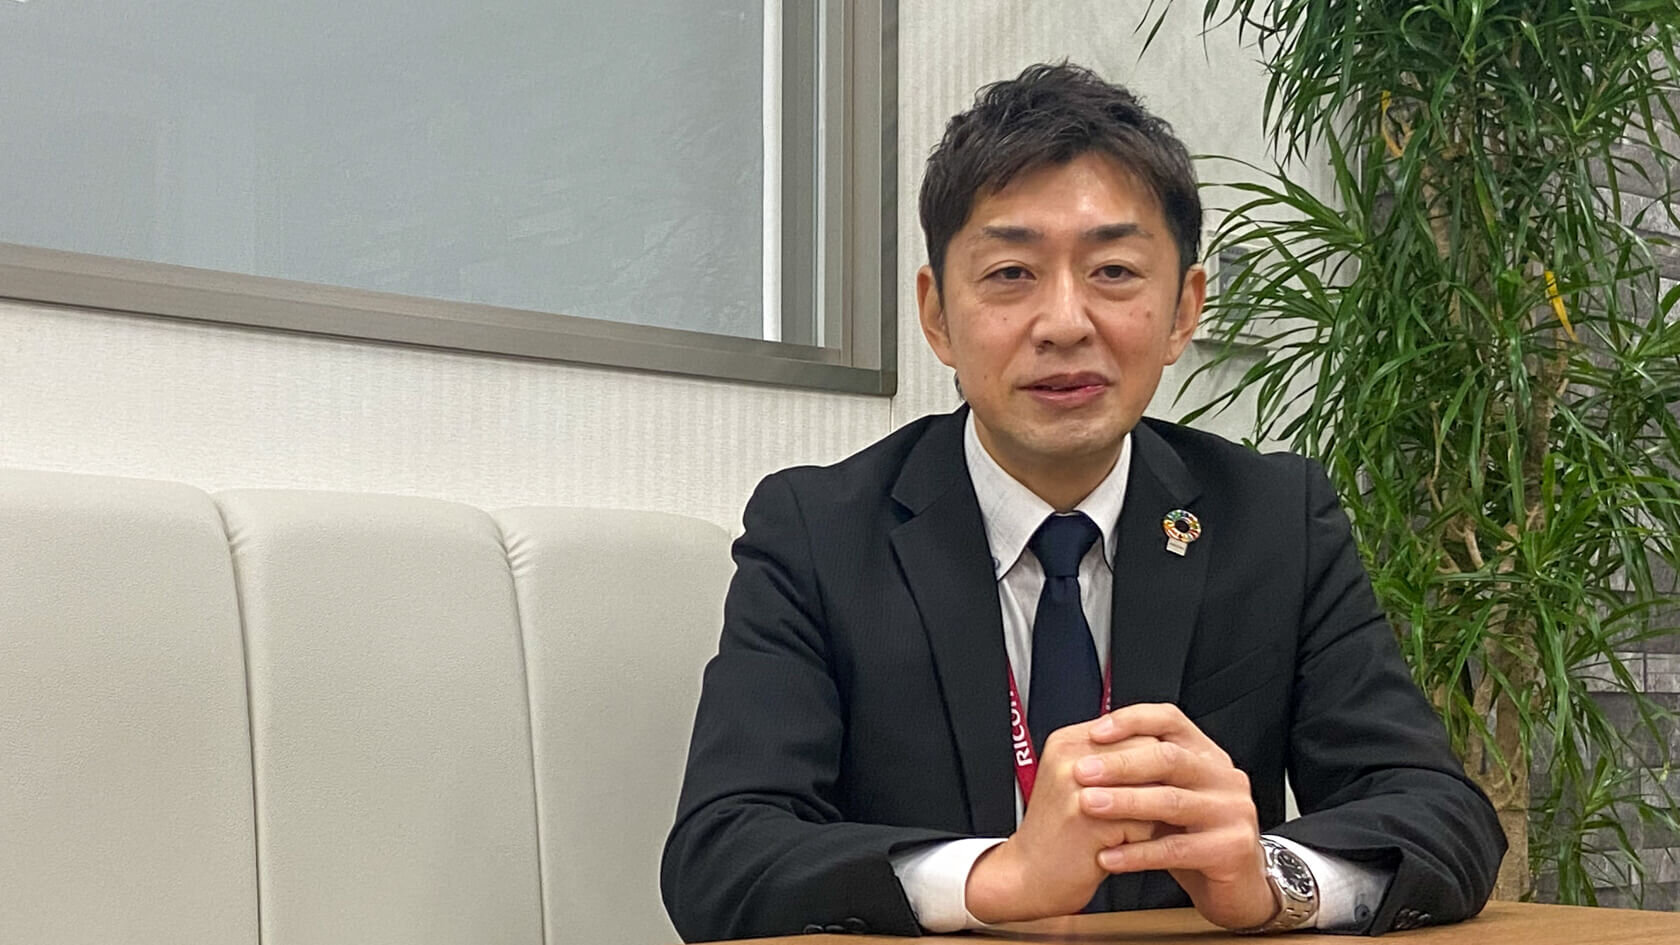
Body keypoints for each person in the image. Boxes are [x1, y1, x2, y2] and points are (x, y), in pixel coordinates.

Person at [661, 62, 1504, 941]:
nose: (1065, 322)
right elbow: (723, 854)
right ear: (937, 314)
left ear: (1183, 309)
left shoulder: (1274, 520)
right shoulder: (819, 532)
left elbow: (1441, 813)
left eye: (1113, 270)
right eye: (1011, 272)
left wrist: (1268, 877)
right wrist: (997, 875)